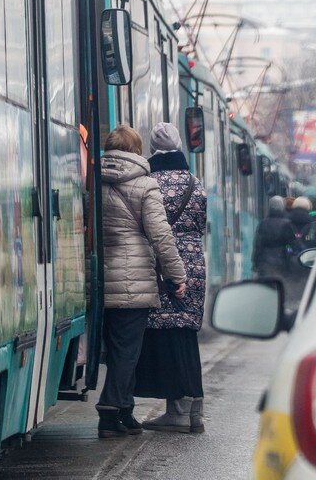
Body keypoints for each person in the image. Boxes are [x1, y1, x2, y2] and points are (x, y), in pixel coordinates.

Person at [97, 126, 187, 438]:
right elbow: (161, 235)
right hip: (132, 279)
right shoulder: (145, 185)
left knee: (116, 348)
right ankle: (110, 411)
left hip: (97, 278)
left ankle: (124, 411)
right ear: (136, 150)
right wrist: (177, 275)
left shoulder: (91, 179)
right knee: (127, 350)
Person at [134, 122, 208, 434]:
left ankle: (176, 410)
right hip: (193, 265)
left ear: (153, 149)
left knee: (166, 335)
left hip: (162, 264)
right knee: (186, 334)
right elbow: (201, 224)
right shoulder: (195, 183)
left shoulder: (149, 182)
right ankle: (192, 411)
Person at [251, 196, 296, 280]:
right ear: (282, 207)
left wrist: (255, 262)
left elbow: (258, 245)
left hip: (265, 262)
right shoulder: (287, 224)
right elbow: (294, 244)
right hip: (281, 262)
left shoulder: (263, 223)